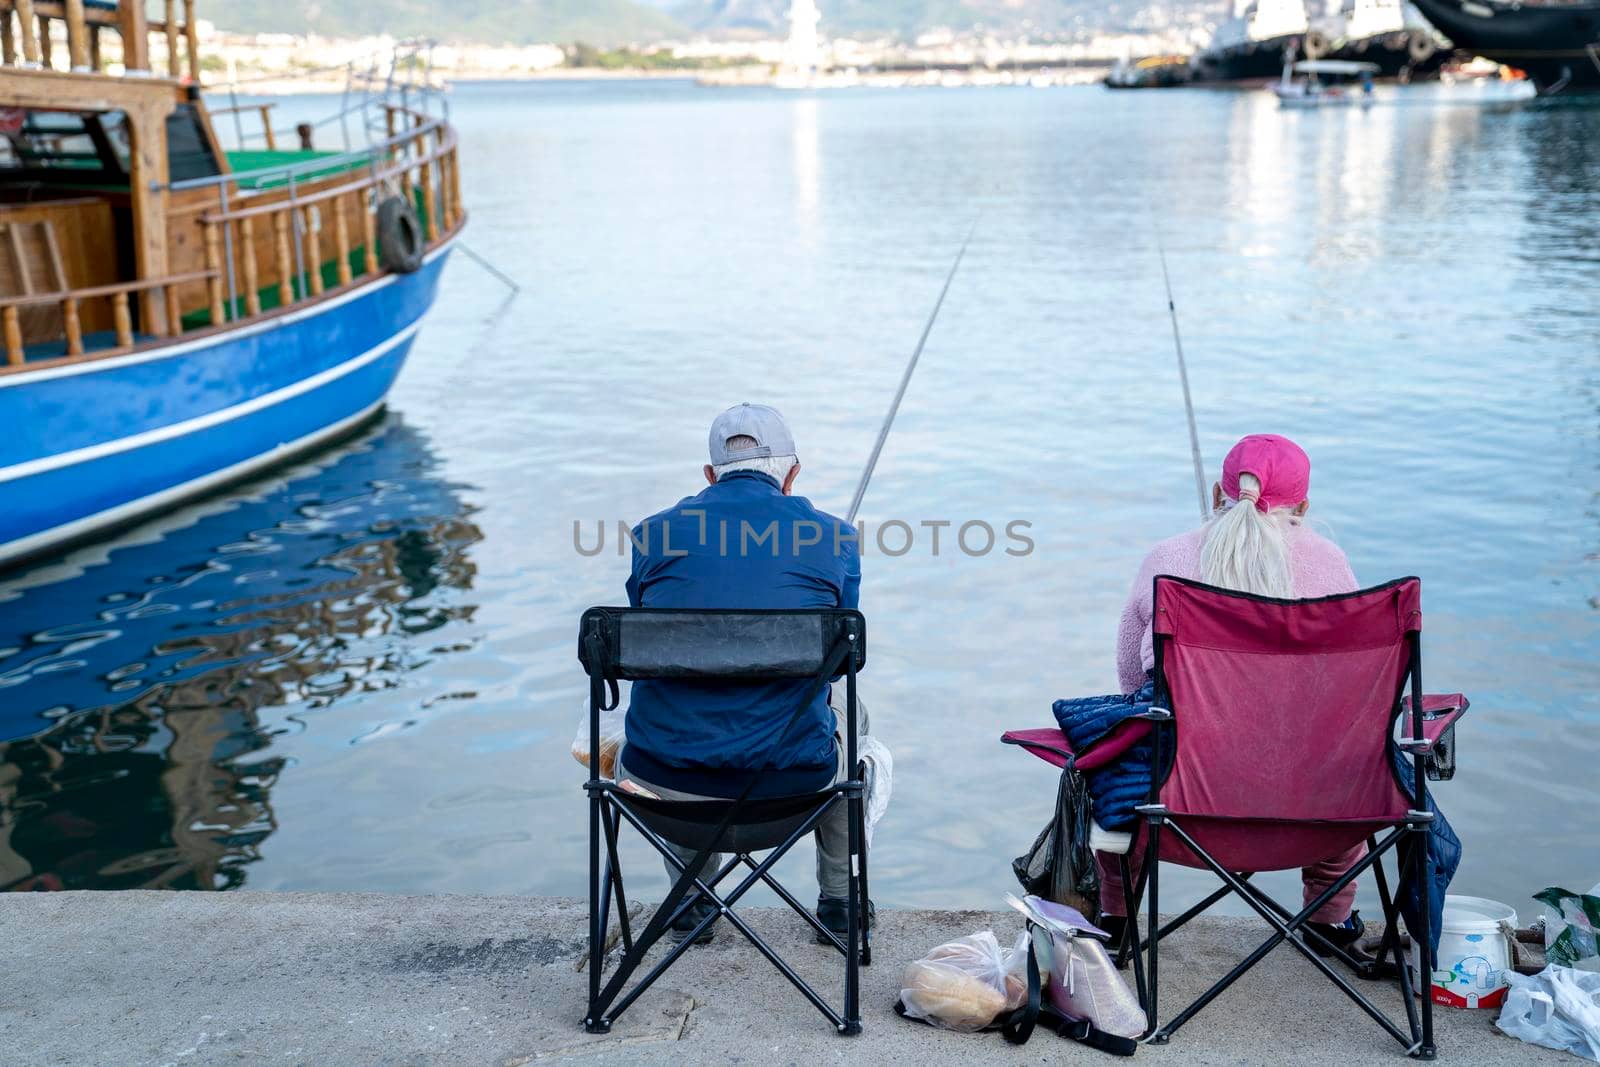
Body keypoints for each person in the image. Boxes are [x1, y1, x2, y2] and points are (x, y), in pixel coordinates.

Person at [1065, 433, 1371, 956]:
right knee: (1352, 756)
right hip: (1315, 809)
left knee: (1118, 760)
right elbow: (1354, 689)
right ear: (1302, 507)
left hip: (1177, 805)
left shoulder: (1169, 557)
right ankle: (1329, 919)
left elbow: (1129, 675)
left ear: (1215, 495)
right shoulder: (1330, 563)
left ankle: (1117, 917)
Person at [615, 403, 873, 945]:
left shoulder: (651, 535)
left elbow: (649, 630)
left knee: (676, 712)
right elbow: (843, 658)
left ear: (709, 475)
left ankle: (690, 902)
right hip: (792, 784)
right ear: (793, 473)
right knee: (853, 719)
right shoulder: (834, 538)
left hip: (665, 786)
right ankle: (840, 905)